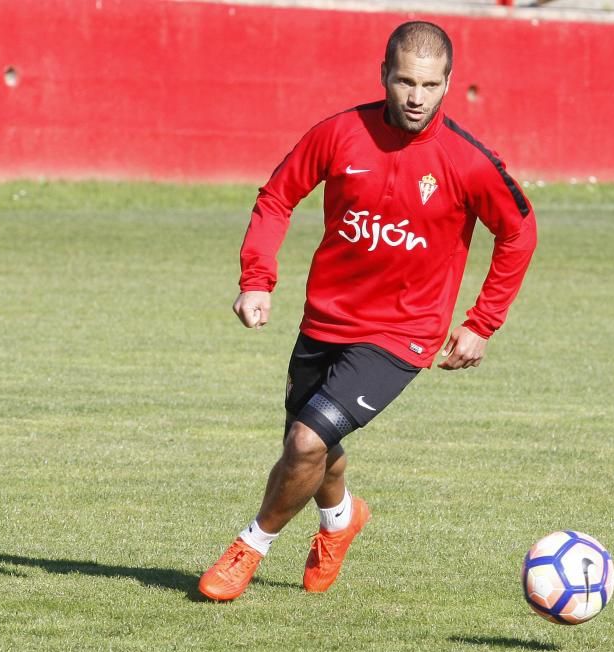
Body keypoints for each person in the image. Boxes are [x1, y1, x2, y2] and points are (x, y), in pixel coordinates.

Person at [199, 20, 537, 602]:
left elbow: (519, 232)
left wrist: (482, 323)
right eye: (405, 81)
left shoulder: (468, 161)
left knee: (306, 442)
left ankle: (250, 547)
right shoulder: (338, 134)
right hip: (324, 321)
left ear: (448, 84)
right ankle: (340, 521)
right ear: (384, 75)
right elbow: (277, 196)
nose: (415, 97)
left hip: (402, 334)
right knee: (312, 448)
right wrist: (257, 278)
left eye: (430, 85)